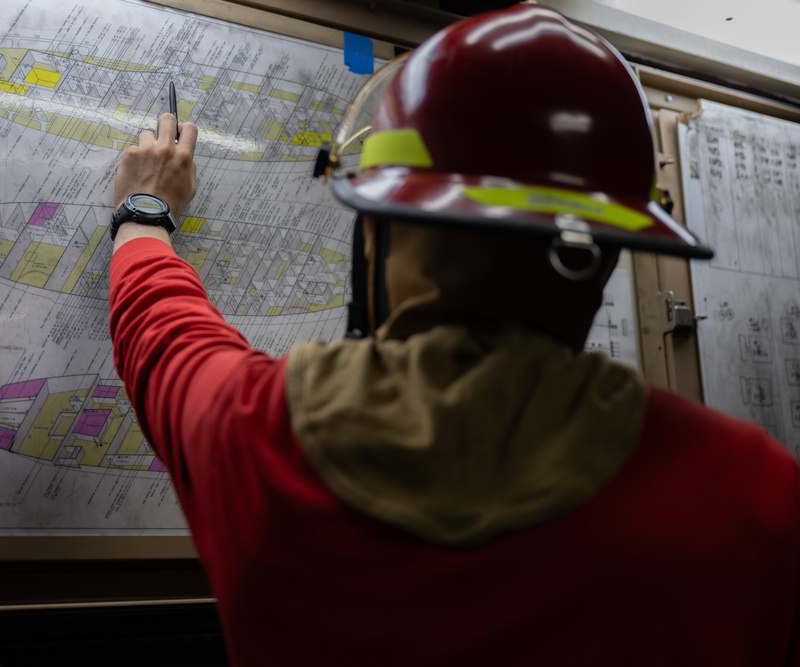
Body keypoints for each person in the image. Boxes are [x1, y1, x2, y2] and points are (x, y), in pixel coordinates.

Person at [109, 5, 800, 665]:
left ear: (381, 232)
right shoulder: (752, 495)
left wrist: (144, 214)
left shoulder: (256, 434)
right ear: (603, 252)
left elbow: (164, 335)